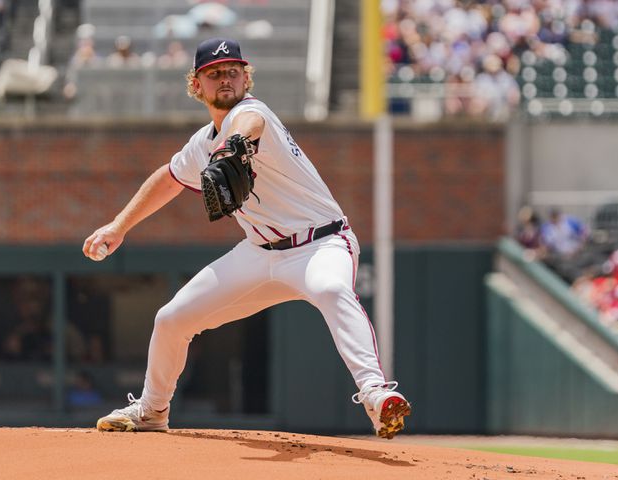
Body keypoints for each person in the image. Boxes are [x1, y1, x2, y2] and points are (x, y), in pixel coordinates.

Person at [82, 38, 411, 439]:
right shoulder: (202, 143)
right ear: (196, 84)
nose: (226, 79)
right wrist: (118, 226)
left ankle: (376, 395)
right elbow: (168, 179)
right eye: (215, 73)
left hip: (321, 244)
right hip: (259, 253)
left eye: (234, 71)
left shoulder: (252, 114)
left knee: (331, 289)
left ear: (246, 78)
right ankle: (153, 410)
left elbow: (247, 125)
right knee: (171, 320)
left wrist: (233, 146)